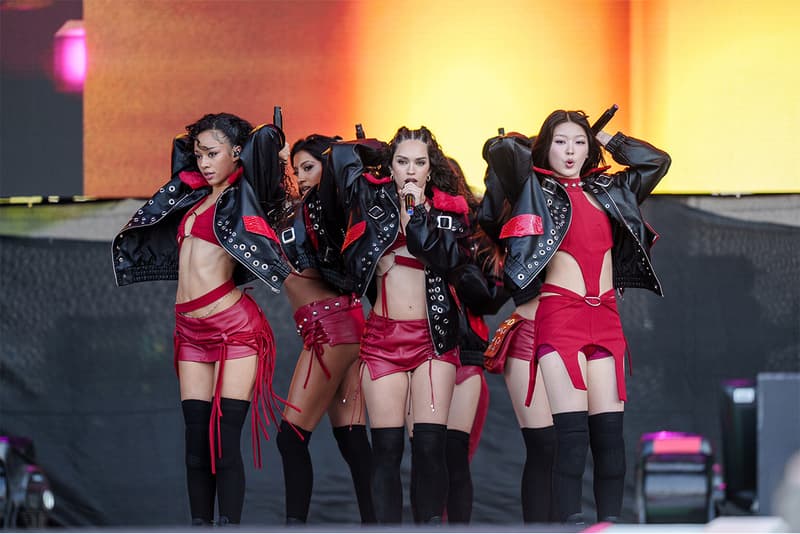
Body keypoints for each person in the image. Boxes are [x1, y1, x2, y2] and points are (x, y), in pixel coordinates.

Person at [485, 109, 670, 523]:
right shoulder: (534, 188)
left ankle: (609, 526)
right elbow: (501, 150)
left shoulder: (611, 190)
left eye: (579, 141)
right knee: (570, 440)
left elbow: (657, 162)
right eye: (561, 141)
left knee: (610, 442)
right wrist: (541, 140)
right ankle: (568, 527)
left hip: (605, 317)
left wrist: (607, 136)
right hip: (560, 316)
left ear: (591, 148)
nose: (571, 151)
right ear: (547, 146)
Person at [112, 113, 291, 526]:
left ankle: (228, 525)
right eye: (199, 155)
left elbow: (263, 143)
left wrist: (271, 145)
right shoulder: (193, 197)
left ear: (236, 153)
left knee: (224, 444)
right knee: (196, 444)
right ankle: (200, 527)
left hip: (234, 330)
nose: (204, 163)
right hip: (190, 333)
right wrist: (197, 142)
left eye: (213, 154)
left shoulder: (245, 194)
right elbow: (181, 148)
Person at [326, 126, 471, 524]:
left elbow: (448, 261)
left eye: (419, 163)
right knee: (386, 450)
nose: (411, 170)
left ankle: (427, 527)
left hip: (432, 339)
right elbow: (338, 161)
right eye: (402, 161)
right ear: (389, 167)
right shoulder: (370, 206)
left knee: (428, 447)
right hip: (384, 338)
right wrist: (373, 153)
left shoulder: (451, 211)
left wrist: (416, 216)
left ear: (430, 168)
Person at [273, 134, 375, 524]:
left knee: (291, 437)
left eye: (308, 167)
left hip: (329, 330)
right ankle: (376, 524)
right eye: (295, 170)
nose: (300, 177)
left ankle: (294, 528)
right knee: (351, 440)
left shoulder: (331, 206)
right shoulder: (297, 210)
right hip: (344, 326)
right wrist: (279, 159)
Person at [480, 131, 557, 523]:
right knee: (544, 445)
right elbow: (504, 152)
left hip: (568, 335)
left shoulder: (565, 203)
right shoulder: (509, 209)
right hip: (527, 332)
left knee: (568, 446)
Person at [441, 157, 509, 523]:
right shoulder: (407, 226)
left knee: (455, 457)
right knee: (427, 456)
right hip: (419, 354)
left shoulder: (477, 234)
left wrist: (460, 268)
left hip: (466, 355)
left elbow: (492, 296)